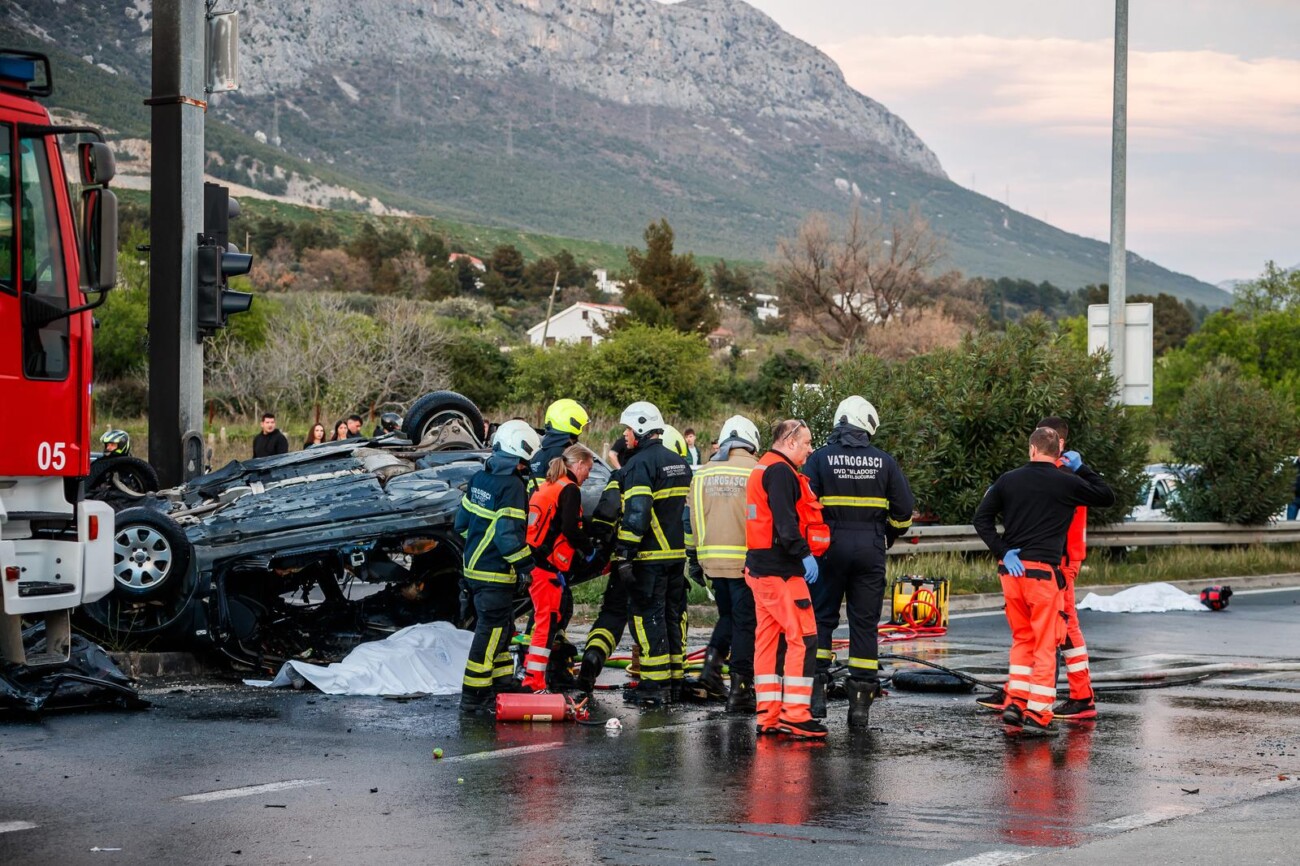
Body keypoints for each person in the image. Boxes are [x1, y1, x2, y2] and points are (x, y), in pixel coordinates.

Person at [973, 427, 1115, 736]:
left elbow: (980, 519)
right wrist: (1083, 469)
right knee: (1045, 644)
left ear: (1032, 450)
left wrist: (1002, 549)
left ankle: (1015, 702)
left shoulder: (1008, 480)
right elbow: (1106, 496)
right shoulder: (1067, 482)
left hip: (1011, 573)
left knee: (1022, 640)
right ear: (1057, 452)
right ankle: (1038, 713)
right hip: (1043, 574)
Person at [803, 396, 915, 728]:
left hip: (828, 548)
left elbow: (804, 504)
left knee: (822, 619)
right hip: (870, 548)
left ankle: (817, 695)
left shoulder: (820, 459)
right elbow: (904, 511)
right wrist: (886, 536)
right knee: (864, 624)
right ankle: (860, 707)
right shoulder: (885, 462)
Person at [745, 419, 829, 739]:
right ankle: (796, 714)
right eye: (807, 443)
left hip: (760, 568)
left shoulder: (763, 467)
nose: (810, 450)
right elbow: (785, 520)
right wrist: (803, 552)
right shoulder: (780, 472)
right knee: (803, 638)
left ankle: (768, 715)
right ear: (791, 441)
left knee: (767, 642)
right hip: (781, 570)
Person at [456, 419, 540, 714]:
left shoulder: (479, 478)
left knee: (503, 628)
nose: (526, 467)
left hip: (473, 571)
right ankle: (474, 695)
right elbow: (508, 537)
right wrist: (527, 566)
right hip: (494, 575)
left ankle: (502, 681)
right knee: (489, 633)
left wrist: (479, 548)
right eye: (525, 461)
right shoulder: (513, 488)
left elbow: (461, 524)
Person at [612, 400, 691, 707]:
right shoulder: (678, 462)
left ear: (642, 429)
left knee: (649, 617)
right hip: (675, 555)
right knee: (673, 615)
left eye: (628, 430)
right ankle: (673, 681)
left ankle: (652, 686)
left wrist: (624, 552)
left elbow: (637, 512)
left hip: (649, 557)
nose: (626, 436)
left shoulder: (639, 465)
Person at [687, 414, 761, 713]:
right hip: (746, 562)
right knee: (746, 624)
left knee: (727, 617)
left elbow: (692, 517)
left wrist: (694, 557)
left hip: (712, 561)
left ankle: (710, 672)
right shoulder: (756, 471)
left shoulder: (703, 472)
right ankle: (741, 691)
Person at [522, 443, 597, 692]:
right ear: (578, 465)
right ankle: (534, 681)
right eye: (588, 469)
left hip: (535, 562)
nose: (588, 475)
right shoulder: (570, 489)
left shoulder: (549, 485)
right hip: (546, 567)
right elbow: (568, 528)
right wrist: (587, 548)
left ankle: (532, 677)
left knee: (543, 621)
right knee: (546, 624)